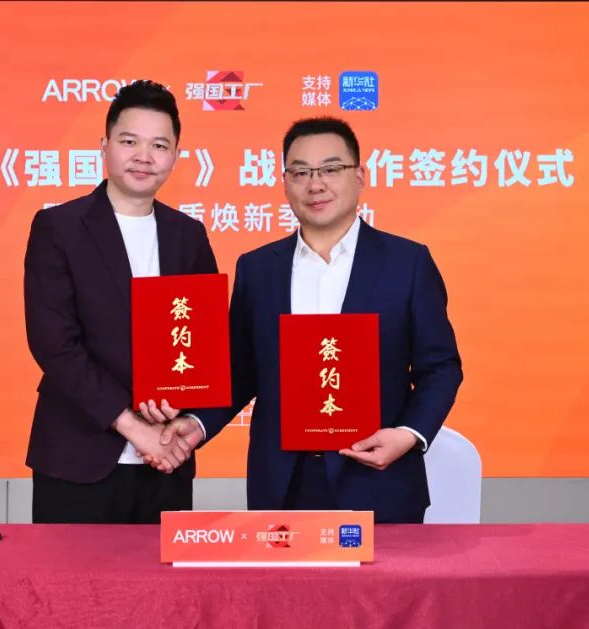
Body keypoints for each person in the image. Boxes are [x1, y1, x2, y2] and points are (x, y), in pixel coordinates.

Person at [146, 116, 462, 523]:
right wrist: (197, 423)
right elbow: (240, 371)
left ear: (360, 177)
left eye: (331, 169)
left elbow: (440, 366)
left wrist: (407, 435)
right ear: (285, 182)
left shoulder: (408, 263)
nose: (315, 185)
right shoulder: (258, 269)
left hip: (378, 478)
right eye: (300, 172)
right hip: (283, 483)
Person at [23, 80, 217, 523]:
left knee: (162, 572)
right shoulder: (59, 228)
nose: (144, 156)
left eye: (159, 145)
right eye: (130, 141)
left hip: (166, 460)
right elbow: (54, 344)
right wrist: (132, 428)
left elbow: (202, 344)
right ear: (105, 146)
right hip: (78, 457)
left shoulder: (188, 236)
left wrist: (177, 423)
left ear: (175, 156)